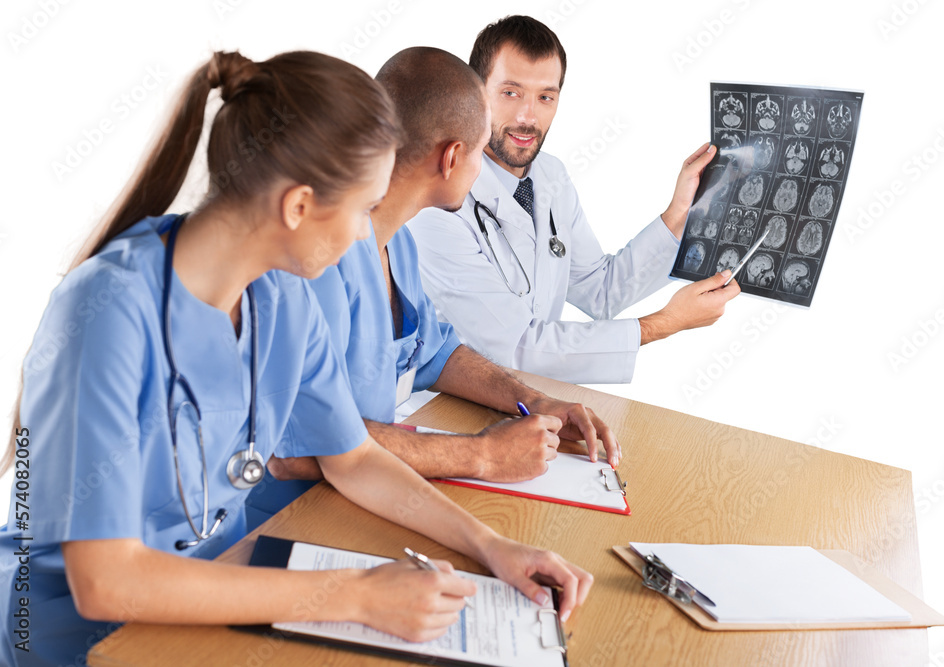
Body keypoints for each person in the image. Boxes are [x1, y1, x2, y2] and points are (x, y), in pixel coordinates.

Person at [0, 50, 591, 667]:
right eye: (362, 209)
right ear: (298, 206)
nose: (364, 235)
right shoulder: (106, 313)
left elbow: (353, 459)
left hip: (220, 597)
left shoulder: (279, 296)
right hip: (77, 638)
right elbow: (106, 581)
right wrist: (356, 596)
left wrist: (492, 547)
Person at [251, 48, 620, 522]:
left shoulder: (400, 245)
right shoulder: (321, 263)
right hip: (288, 520)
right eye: (481, 151)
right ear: (451, 158)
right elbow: (296, 449)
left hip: (361, 501)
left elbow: (435, 353)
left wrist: (533, 402)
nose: (484, 168)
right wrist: (482, 455)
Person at [407, 15, 742, 385]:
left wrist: (680, 212)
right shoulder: (437, 202)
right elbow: (517, 348)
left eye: (545, 97)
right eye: (511, 93)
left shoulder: (551, 176)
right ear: (476, 94)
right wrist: (667, 322)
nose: (528, 117)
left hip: (528, 399)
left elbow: (600, 291)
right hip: (447, 406)